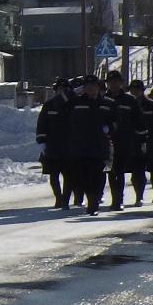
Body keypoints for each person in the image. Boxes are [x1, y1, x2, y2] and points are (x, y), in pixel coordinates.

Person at [62, 73, 113, 214]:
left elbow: (116, 121)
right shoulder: (76, 102)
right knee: (81, 176)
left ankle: (94, 202)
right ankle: (90, 199)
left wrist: (110, 128)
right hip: (80, 147)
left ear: (98, 87)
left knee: (98, 175)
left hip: (99, 147)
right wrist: (75, 91)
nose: (91, 89)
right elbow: (59, 101)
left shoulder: (107, 103)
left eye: (94, 86)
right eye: (88, 87)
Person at [102, 69, 139, 209]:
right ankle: (115, 198)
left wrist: (138, 139)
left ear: (122, 83)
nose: (113, 85)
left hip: (124, 141)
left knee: (120, 171)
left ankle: (119, 198)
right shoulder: (103, 100)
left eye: (116, 82)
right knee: (111, 171)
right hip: (107, 142)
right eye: (111, 82)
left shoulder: (130, 100)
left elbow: (138, 121)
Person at [34, 79, 70, 209]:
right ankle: (58, 198)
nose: (61, 91)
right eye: (59, 89)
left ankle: (65, 199)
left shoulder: (71, 104)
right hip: (52, 146)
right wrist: (42, 141)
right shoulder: (49, 105)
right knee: (53, 175)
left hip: (68, 146)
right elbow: (42, 123)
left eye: (64, 89)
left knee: (68, 175)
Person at [128, 79, 153, 205]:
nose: (134, 92)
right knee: (137, 172)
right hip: (134, 142)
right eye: (132, 90)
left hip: (151, 142)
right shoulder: (128, 104)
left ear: (142, 91)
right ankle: (139, 196)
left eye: (137, 90)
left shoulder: (151, 105)